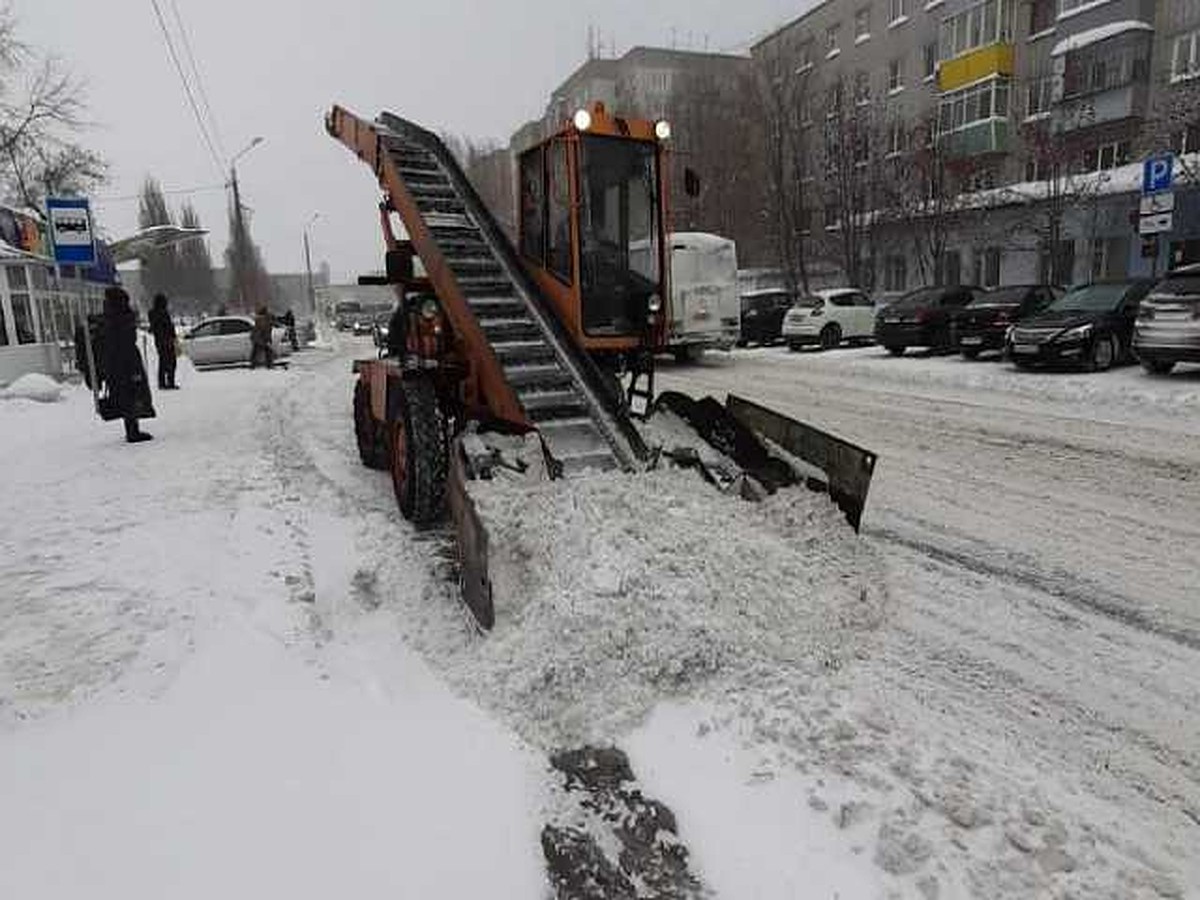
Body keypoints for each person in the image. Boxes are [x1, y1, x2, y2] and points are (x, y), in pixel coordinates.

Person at [101, 286, 154, 443]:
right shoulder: (121, 318)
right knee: (132, 393)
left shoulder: (110, 317)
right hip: (126, 362)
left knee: (125, 395)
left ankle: (132, 428)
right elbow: (125, 343)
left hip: (115, 363)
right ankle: (133, 431)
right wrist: (134, 369)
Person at [148, 293, 178, 390]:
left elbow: (153, 329)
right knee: (171, 362)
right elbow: (167, 327)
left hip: (160, 341)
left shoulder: (153, 313)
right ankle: (170, 382)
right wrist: (172, 335)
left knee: (163, 362)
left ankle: (163, 382)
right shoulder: (162, 313)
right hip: (166, 340)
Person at [250, 305, 274, 369]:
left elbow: (259, 329)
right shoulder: (263, 320)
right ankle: (269, 365)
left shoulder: (260, 319)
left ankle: (253, 364)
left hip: (259, 338)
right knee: (267, 351)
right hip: (261, 338)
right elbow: (265, 330)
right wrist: (267, 340)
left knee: (256, 352)